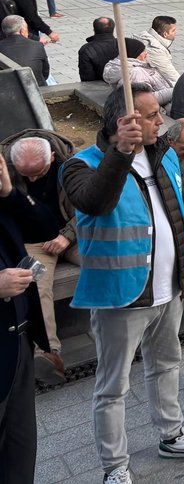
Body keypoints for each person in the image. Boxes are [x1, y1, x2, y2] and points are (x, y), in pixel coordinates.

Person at [61, 83, 184, 482]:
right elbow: (95, 202)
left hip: (170, 288)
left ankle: (172, 435)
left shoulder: (164, 155)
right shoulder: (81, 164)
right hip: (120, 297)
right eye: (151, 116)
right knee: (112, 386)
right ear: (124, 121)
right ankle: (114, 466)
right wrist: (120, 152)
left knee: (167, 364)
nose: (160, 122)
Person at [2, 129, 77, 382]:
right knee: (36, 283)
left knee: (106, 261)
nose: (32, 179)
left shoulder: (74, 164)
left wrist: (68, 235)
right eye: (26, 175)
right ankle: (48, 352)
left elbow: (92, 207)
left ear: (52, 157)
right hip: (35, 243)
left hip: (72, 235)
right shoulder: (6, 168)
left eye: (38, 173)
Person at [0, 150, 52, 482]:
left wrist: (9, 192)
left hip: (18, 342)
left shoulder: (3, 197)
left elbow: (44, 226)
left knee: (20, 451)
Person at [104, 38, 174, 108]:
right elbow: (145, 100)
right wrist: (174, 90)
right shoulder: (135, 73)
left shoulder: (132, 66)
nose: (146, 53)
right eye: (142, 51)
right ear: (134, 54)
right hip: (163, 106)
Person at [0, 15, 50, 84]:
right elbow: (45, 73)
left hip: (6, 86)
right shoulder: (37, 45)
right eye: (27, 29)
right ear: (22, 31)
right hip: (36, 86)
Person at [139, 16, 181, 84]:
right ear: (165, 34)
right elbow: (170, 74)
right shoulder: (155, 49)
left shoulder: (143, 36)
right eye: (173, 31)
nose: (175, 32)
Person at [79, 16, 120, 82]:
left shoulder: (86, 50)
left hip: (98, 86)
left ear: (94, 30)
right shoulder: (123, 44)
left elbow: (87, 78)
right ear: (113, 29)